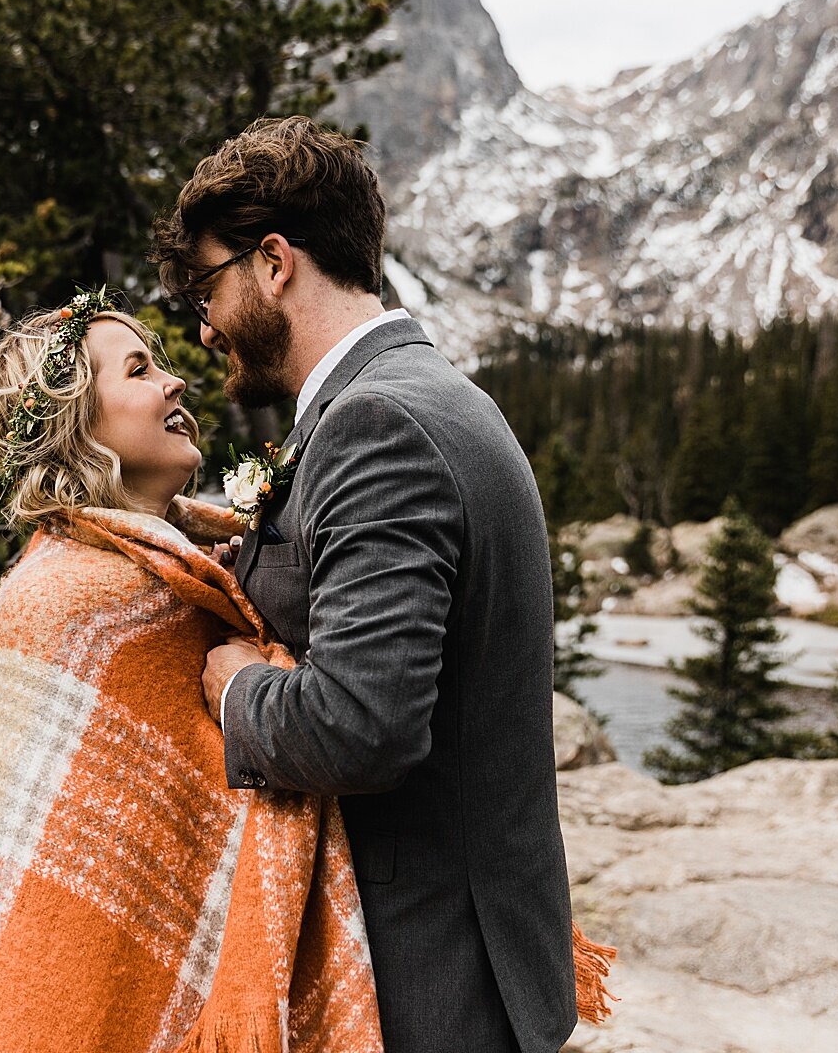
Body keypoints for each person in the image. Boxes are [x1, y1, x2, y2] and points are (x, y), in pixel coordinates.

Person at [153, 116, 615, 1053]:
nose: (202, 326)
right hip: (461, 970)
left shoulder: (379, 427)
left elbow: (361, 725)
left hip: (430, 986)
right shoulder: (414, 395)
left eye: (207, 288)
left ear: (274, 261)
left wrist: (236, 686)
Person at [0, 291, 382, 1053]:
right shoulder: (67, 596)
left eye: (161, 363)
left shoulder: (195, 571)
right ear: (79, 423)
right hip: (73, 996)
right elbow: (43, 862)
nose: (175, 383)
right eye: (139, 370)